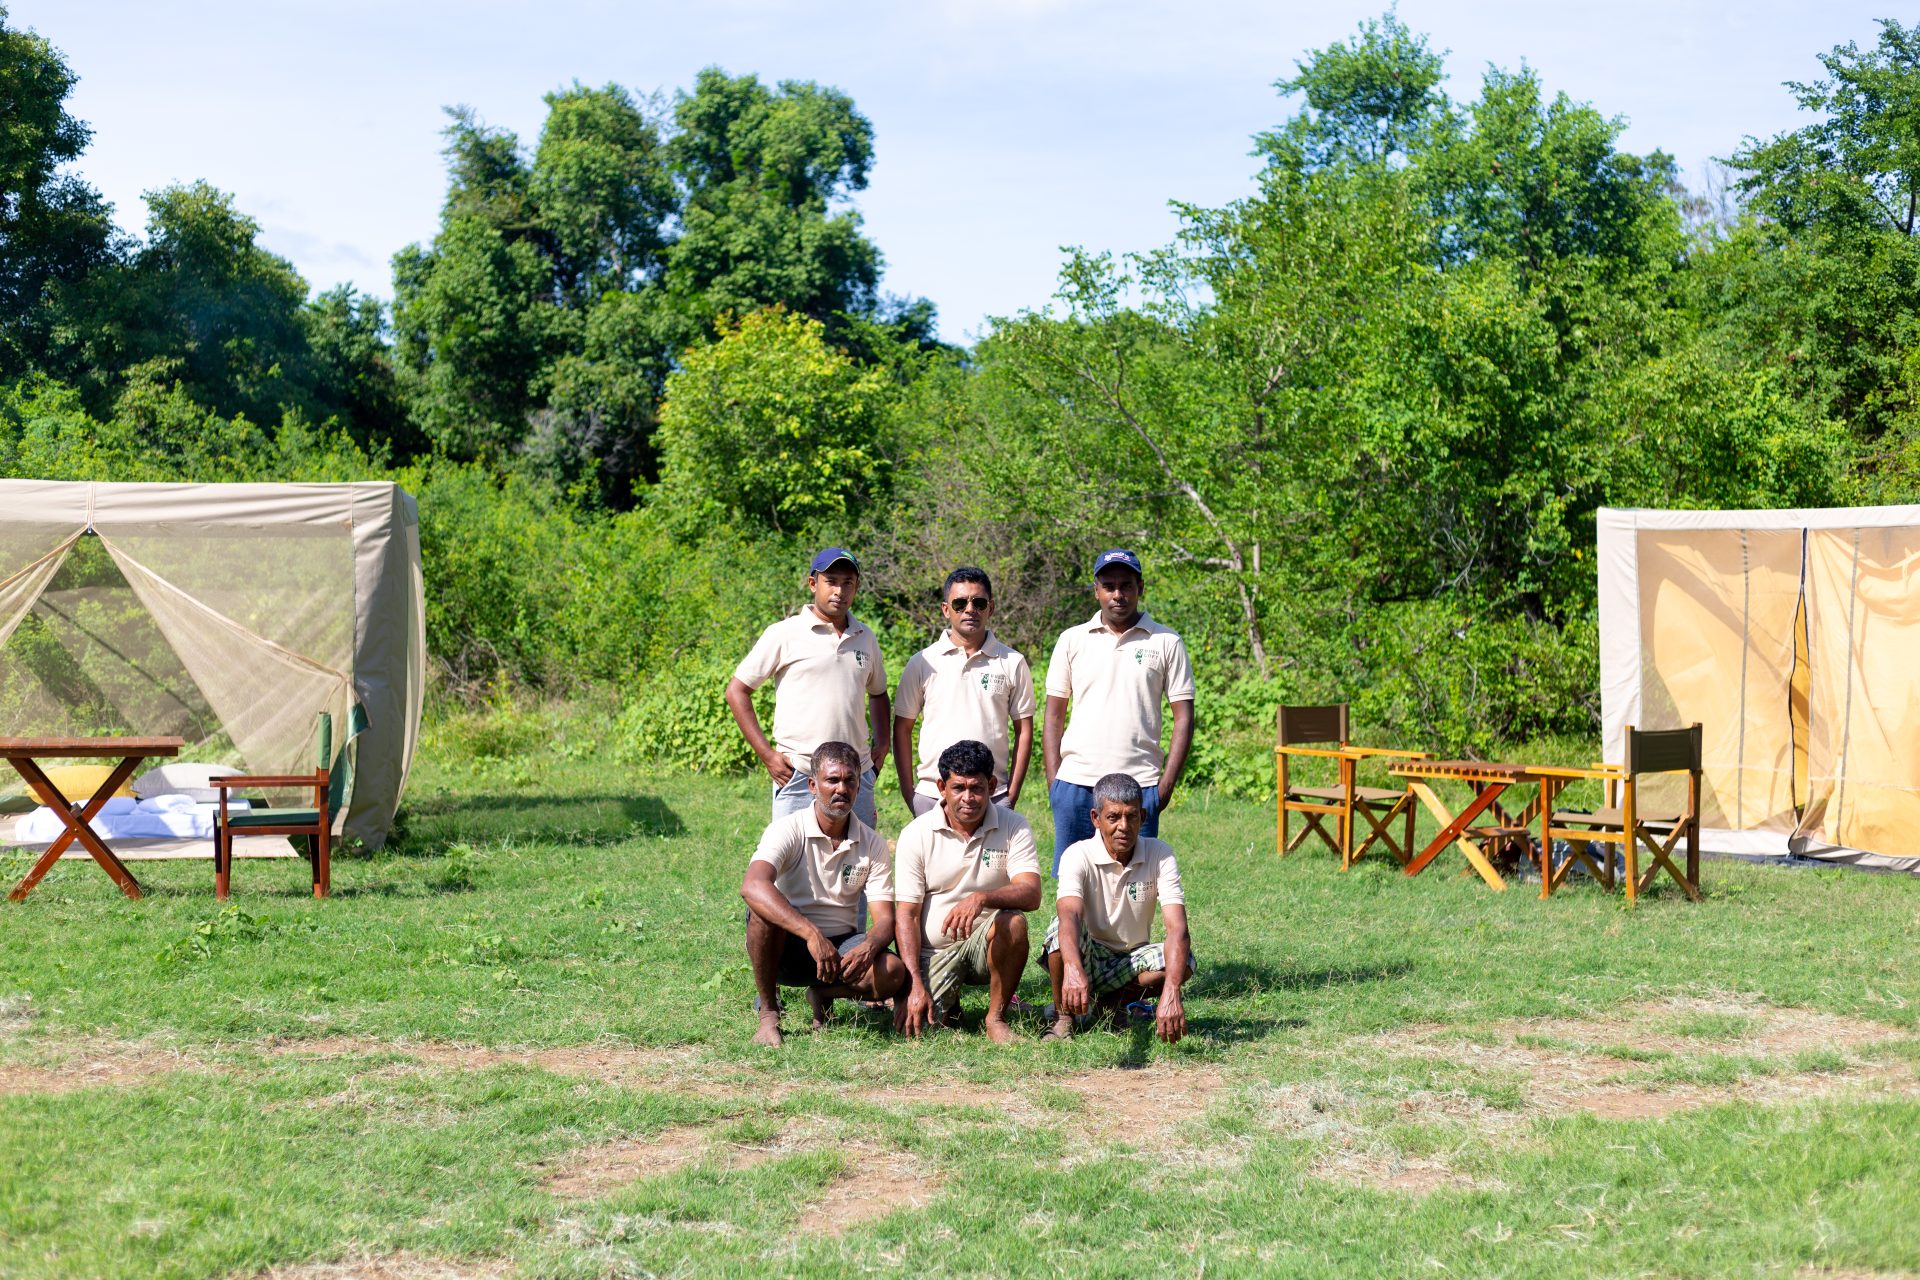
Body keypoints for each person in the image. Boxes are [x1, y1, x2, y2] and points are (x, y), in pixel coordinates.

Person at [740, 741, 908, 1047]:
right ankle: (769, 1013)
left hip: (842, 950)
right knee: (763, 914)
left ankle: (822, 994)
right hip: (787, 947)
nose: (841, 789)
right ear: (812, 785)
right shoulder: (788, 829)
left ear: (859, 786)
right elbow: (752, 885)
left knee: (893, 972)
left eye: (850, 780)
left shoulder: (872, 843)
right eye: (832, 780)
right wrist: (811, 934)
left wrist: (869, 946)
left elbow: (885, 920)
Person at [1043, 548, 1196, 873]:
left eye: (1126, 585)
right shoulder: (1072, 640)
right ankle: (1068, 926)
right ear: (1096, 590)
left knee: (1131, 882)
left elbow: (1183, 717)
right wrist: (1055, 781)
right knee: (1073, 879)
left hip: (1138, 784)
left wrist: (1164, 787)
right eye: (1109, 585)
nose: (1118, 594)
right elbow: (1054, 715)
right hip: (1076, 783)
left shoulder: (1166, 641)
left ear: (1140, 587)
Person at [727, 547, 890, 829]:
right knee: (792, 864)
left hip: (856, 774)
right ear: (813, 583)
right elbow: (737, 691)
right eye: (832, 581)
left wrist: (882, 744)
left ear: (857, 587)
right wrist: (767, 755)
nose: (840, 590)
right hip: (800, 773)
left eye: (848, 583)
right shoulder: (784, 633)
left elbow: (878, 693)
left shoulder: (865, 637)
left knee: (857, 862)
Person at [893, 739, 1042, 1043]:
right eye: (958, 788)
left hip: (984, 948)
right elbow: (906, 916)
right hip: (932, 953)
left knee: (1013, 922)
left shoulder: (1014, 826)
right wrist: (914, 983)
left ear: (992, 784)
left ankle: (996, 1017)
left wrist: (982, 898)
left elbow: (1031, 892)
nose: (968, 798)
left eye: (977, 788)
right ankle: (949, 1004)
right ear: (941, 787)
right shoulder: (916, 834)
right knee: (921, 1029)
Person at [1043, 772, 1193, 1044]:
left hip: (1131, 958)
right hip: (1089, 953)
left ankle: (1111, 1007)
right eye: (1113, 817)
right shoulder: (1077, 854)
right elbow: (1069, 916)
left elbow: (1177, 928)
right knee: (1058, 929)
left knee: (1183, 961)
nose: (1123, 826)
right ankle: (1063, 1016)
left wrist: (1172, 991)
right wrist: (1074, 969)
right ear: (1095, 818)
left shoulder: (1161, 854)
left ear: (1143, 818)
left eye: (1131, 816)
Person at [892, 566, 1035, 819]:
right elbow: (902, 728)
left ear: (990, 608)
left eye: (978, 603)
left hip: (992, 795)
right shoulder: (922, 662)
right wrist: (910, 793)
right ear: (946, 609)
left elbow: (1024, 731)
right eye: (960, 603)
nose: (970, 610)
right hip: (933, 795)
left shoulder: (1012, 662)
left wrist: (1010, 795)